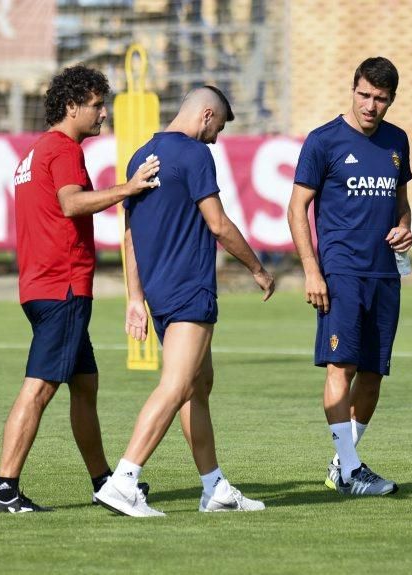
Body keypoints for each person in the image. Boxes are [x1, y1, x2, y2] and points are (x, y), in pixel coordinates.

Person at [0, 64, 161, 513]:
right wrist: (130, 187)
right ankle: (4, 489)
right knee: (40, 387)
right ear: (71, 107)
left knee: (85, 386)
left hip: (42, 285)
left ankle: (104, 482)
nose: (104, 114)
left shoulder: (35, 152)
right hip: (60, 286)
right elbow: (71, 204)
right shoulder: (63, 149)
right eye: (97, 105)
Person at [94, 86, 275, 517]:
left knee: (198, 387)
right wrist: (257, 268)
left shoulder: (142, 155)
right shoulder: (196, 155)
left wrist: (135, 297)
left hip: (158, 292)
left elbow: (132, 235)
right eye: (219, 128)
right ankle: (124, 480)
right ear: (207, 115)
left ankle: (215, 488)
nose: (216, 138)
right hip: (189, 288)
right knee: (177, 386)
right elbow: (218, 224)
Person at [287, 57, 412, 497]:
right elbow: (296, 207)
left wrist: (404, 227)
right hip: (341, 272)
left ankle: (344, 465)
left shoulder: (397, 140)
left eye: (380, 99)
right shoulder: (324, 141)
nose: (371, 105)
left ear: (391, 100)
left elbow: (401, 203)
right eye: (364, 95)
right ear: (352, 89)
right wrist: (311, 270)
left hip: (385, 274)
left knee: (374, 372)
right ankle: (351, 470)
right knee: (341, 365)